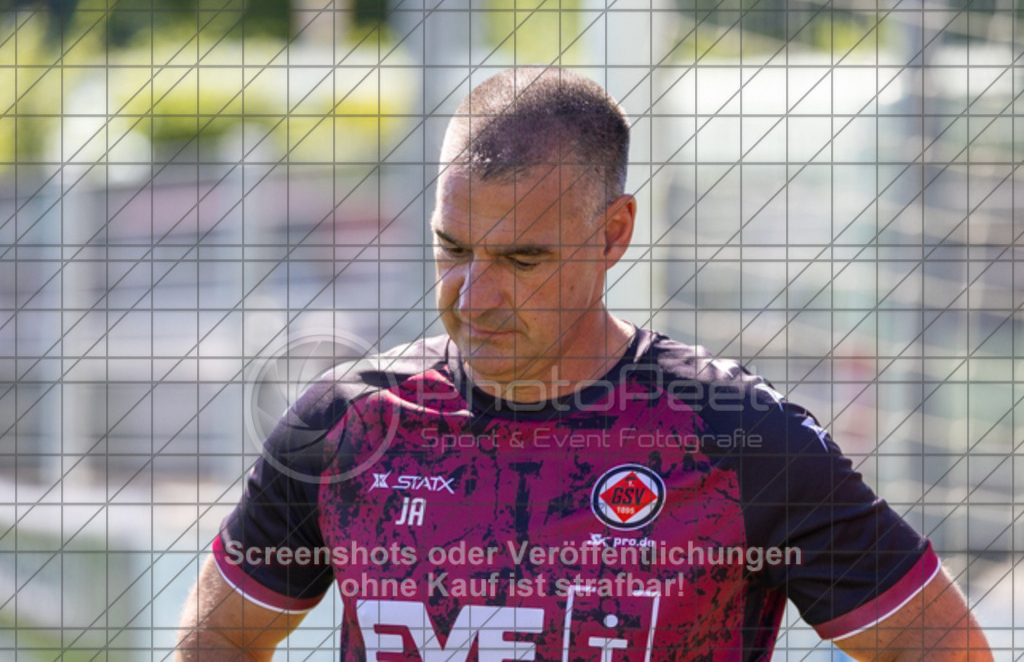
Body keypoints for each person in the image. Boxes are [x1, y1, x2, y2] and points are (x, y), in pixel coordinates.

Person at [176, 67, 992, 660]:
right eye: (452, 248)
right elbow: (219, 637)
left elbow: (940, 647)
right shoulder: (347, 427)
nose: (474, 295)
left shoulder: (740, 440)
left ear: (612, 234)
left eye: (522, 259)